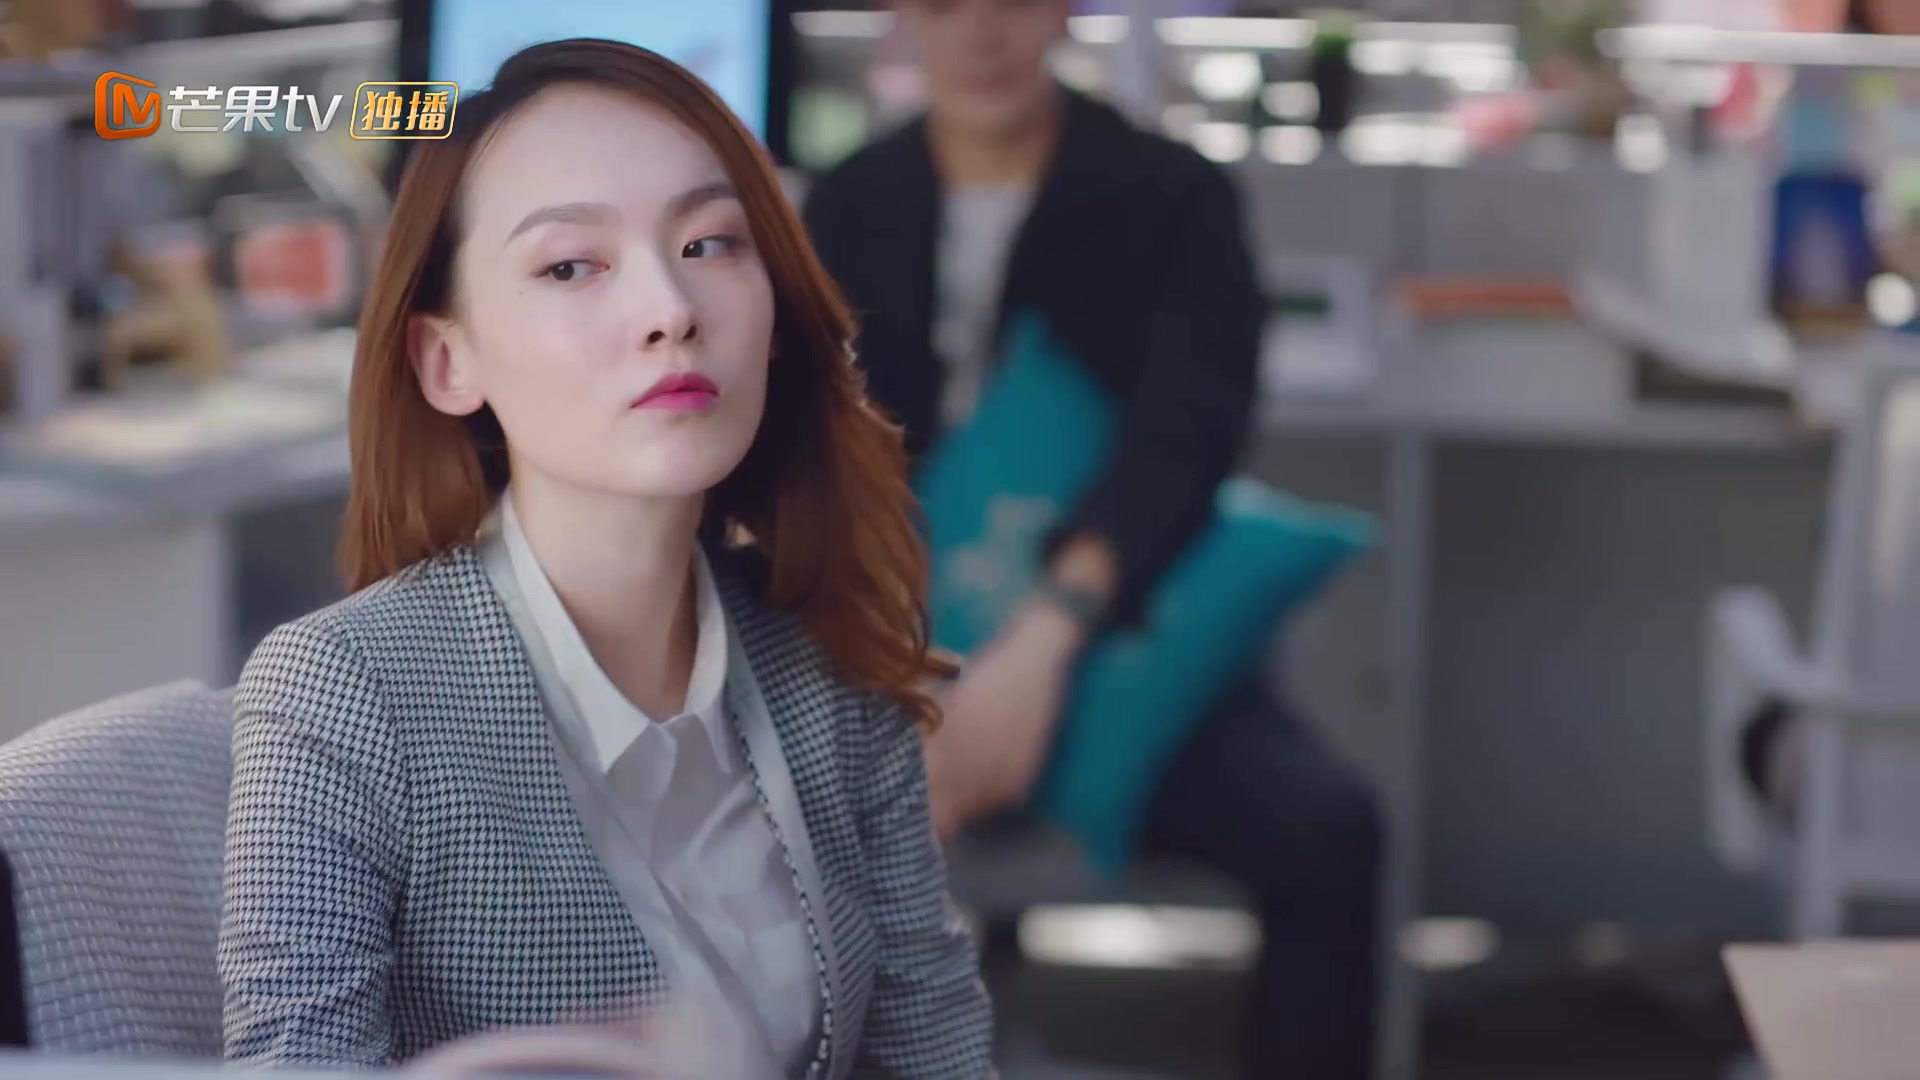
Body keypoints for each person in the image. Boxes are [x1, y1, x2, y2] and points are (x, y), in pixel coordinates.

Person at [217, 38, 993, 1078]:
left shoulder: (833, 661)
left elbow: (937, 1054)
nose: (671, 311)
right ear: (448, 360)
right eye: (570, 266)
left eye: (710, 244)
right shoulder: (346, 694)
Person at [801, 1, 1382, 1076]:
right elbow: (812, 463)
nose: (981, 32)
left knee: (1330, 835)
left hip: (1108, 631)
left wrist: (1040, 647)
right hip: (889, 648)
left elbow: (1183, 441)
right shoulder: (848, 205)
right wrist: (901, 680)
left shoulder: (1171, 197)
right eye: (945, 4)